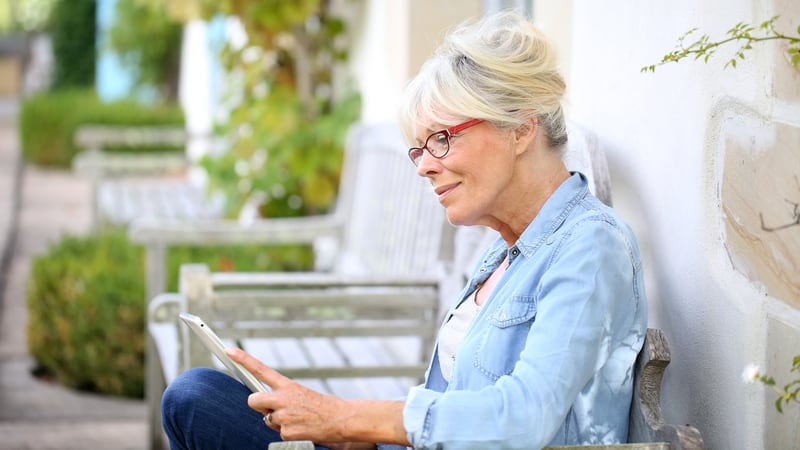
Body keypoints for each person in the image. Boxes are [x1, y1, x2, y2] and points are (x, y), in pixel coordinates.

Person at [161, 10, 648, 450]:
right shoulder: (501, 254)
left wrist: (351, 419)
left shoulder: (591, 245)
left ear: (521, 128)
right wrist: (352, 429)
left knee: (195, 402)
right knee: (200, 397)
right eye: (419, 150)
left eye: (441, 139)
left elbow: (526, 416)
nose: (424, 167)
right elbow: (451, 402)